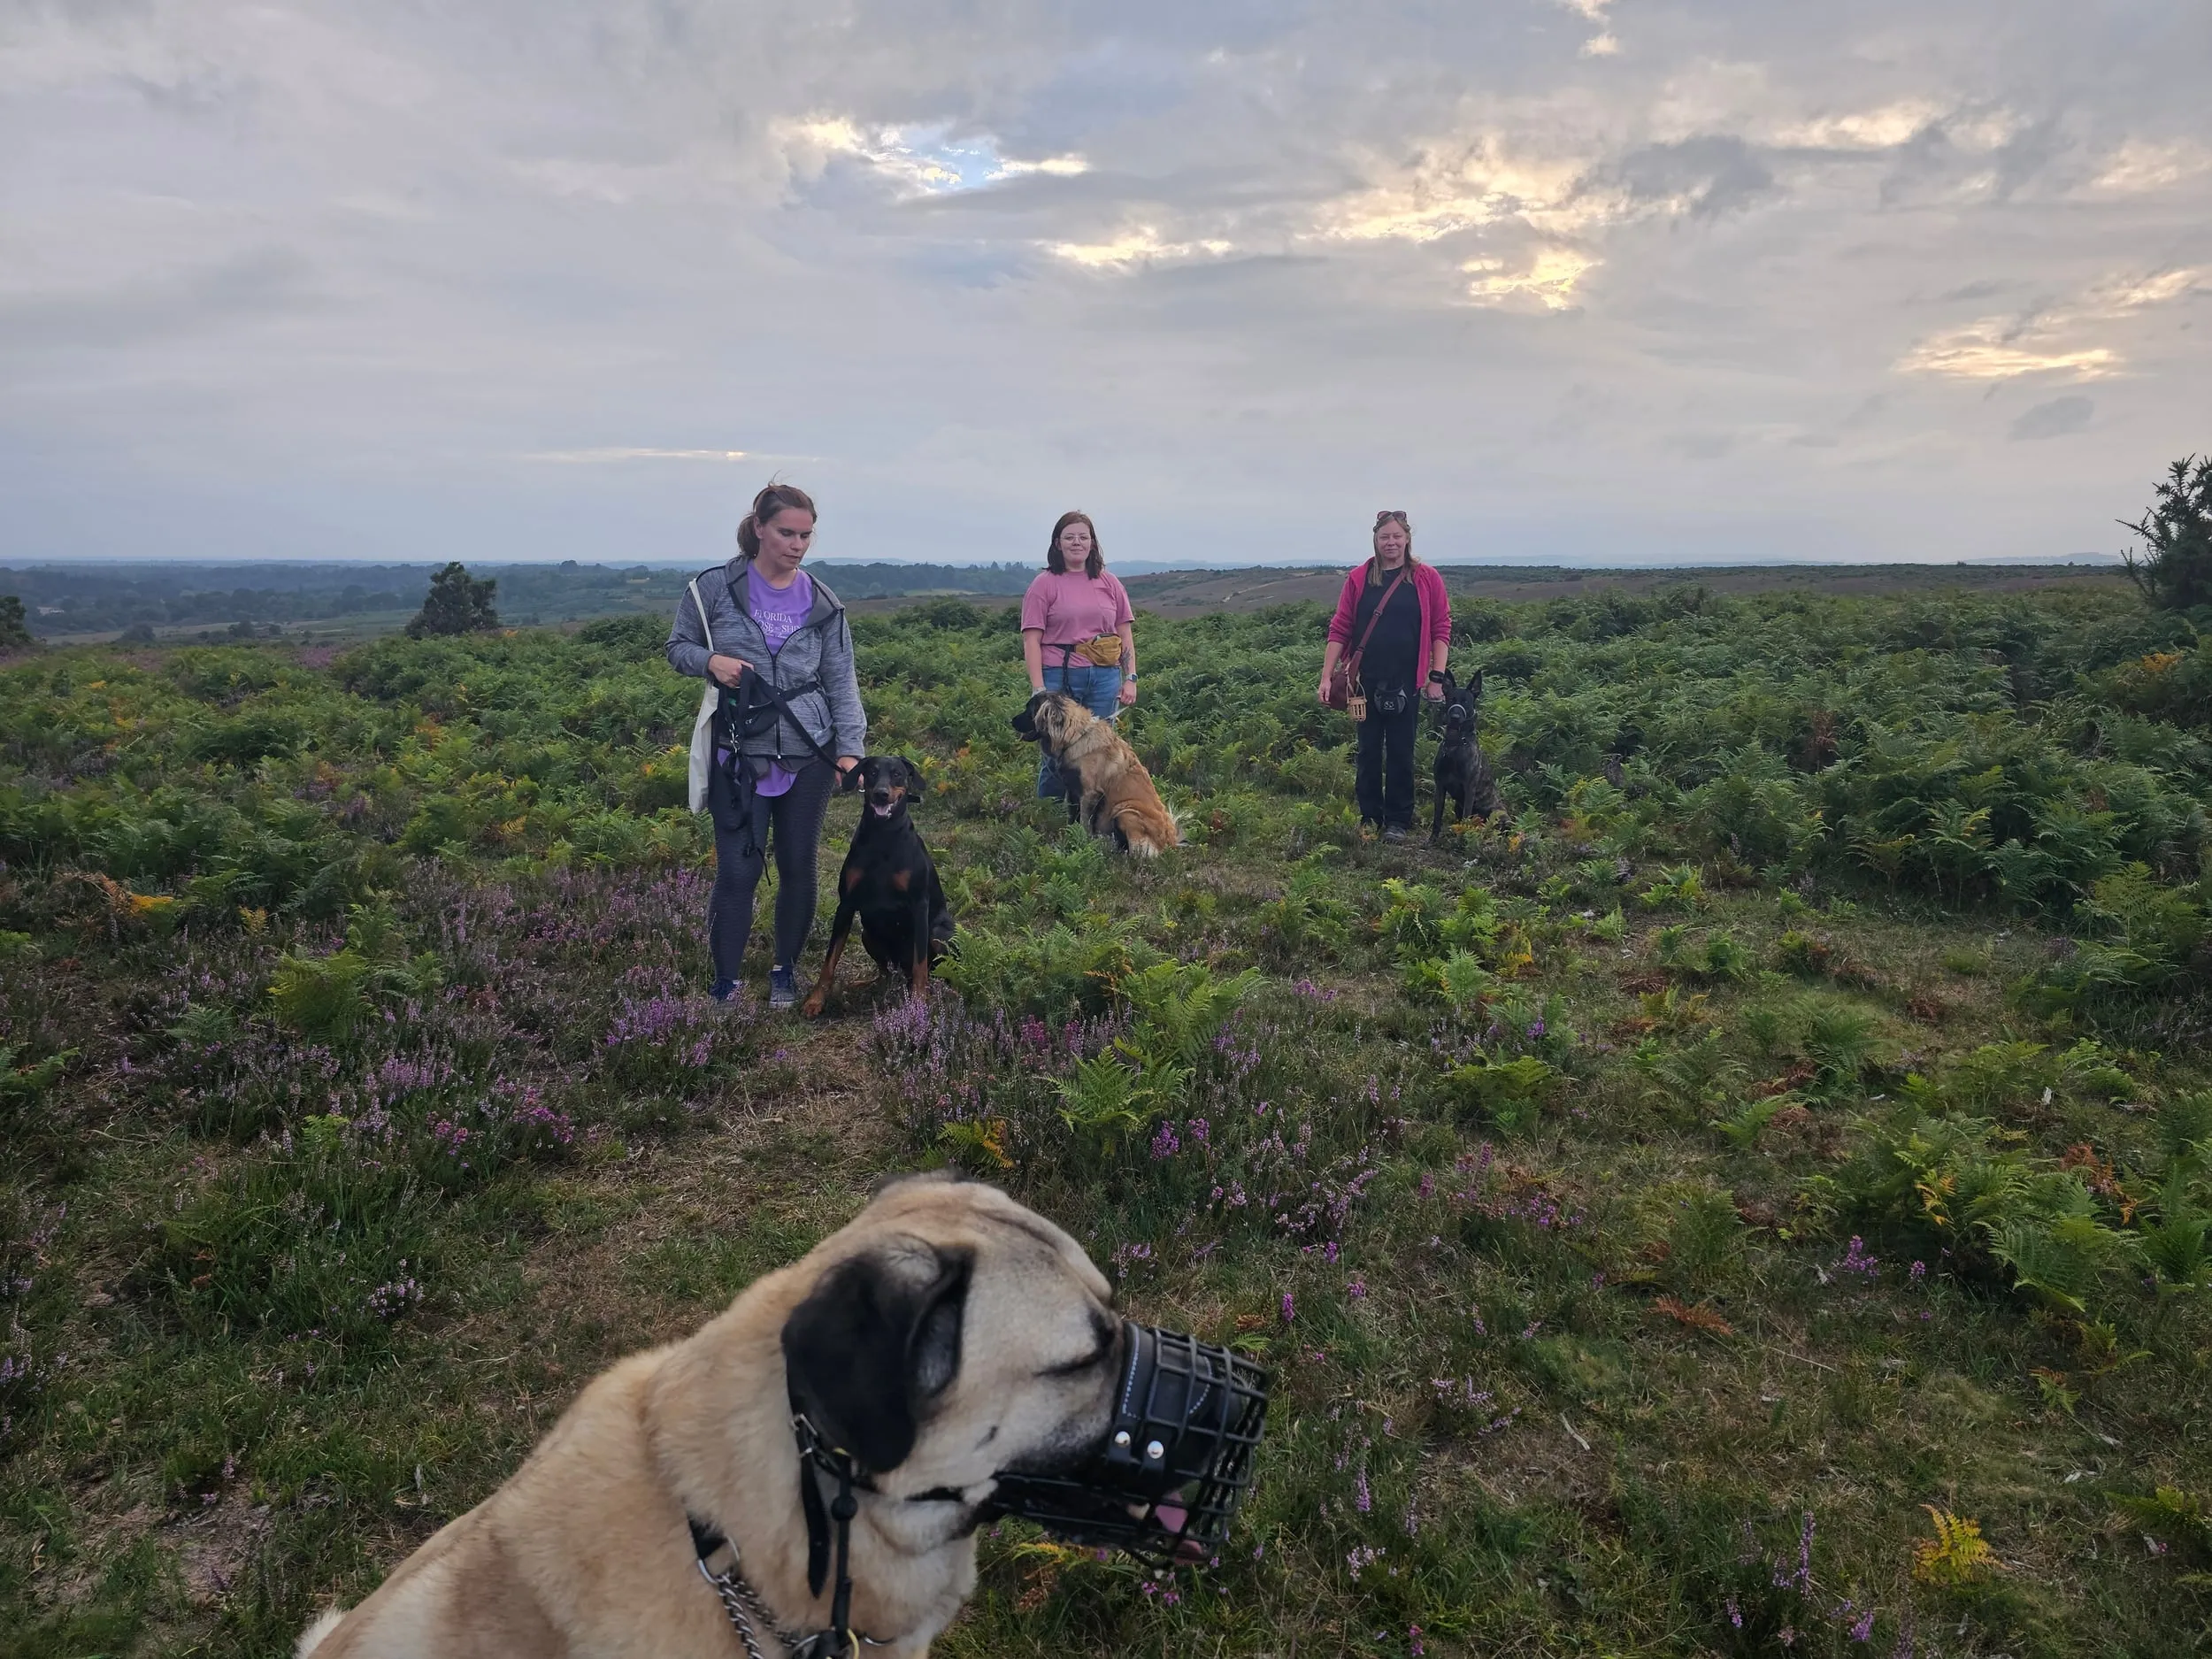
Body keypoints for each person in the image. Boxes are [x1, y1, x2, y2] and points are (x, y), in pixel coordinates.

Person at [666, 483, 864, 1009]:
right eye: (786, 533)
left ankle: (784, 973)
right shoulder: (710, 590)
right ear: (759, 528)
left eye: (805, 535)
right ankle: (725, 982)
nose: (797, 544)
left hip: (809, 749)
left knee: (800, 863)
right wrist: (712, 662)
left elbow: (841, 678)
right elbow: (678, 647)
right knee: (739, 868)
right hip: (738, 749)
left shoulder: (824, 602)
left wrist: (850, 749)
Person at [1317, 510, 1451, 841]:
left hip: (1408, 679)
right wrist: (1326, 676)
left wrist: (1437, 676)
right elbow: (1340, 628)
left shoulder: (1426, 578)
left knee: (1402, 751)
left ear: (1407, 539)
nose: (1390, 542)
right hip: (1364, 681)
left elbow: (1441, 627)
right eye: (1384, 537)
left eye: (1396, 536)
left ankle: (1398, 821)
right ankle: (1370, 817)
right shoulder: (1359, 578)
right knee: (1368, 750)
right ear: (1375, 540)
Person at [1018, 511, 1138, 802]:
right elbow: (1031, 639)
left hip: (1104, 676)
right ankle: (1051, 814)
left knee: (1100, 748)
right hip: (1058, 675)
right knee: (1055, 749)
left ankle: (1095, 817)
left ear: (1092, 543)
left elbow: (1124, 634)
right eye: (1069, 537)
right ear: (1057, 543)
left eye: (1083, 537)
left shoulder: (1109, 583)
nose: (1077, 543)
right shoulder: (1044, 584)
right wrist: (1039, 689)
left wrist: (1130, 677)